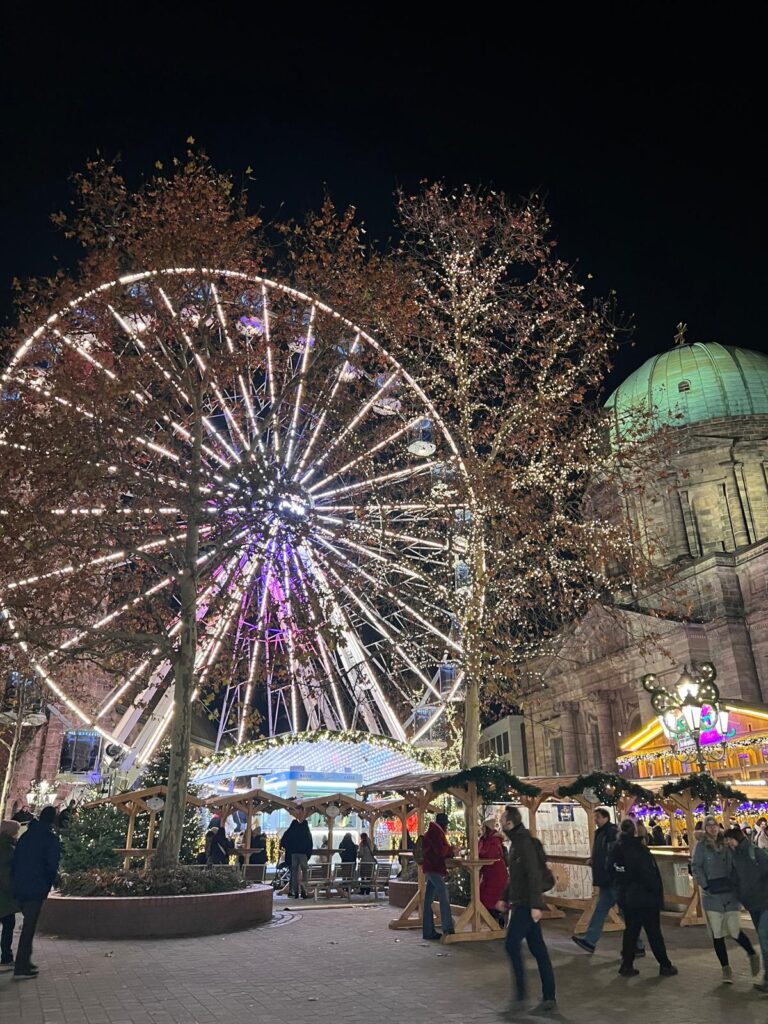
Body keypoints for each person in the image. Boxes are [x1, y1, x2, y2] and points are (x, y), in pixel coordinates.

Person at [496, 805, 556, 1014]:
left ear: (510, 822)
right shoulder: (516, 843)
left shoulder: (523, 843)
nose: (500, 823)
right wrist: (504, 897)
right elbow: (516, 876)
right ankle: (549, 998)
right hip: (522, 902)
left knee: (512, 944)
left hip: (526, 905)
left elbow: (533, 874)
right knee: (538, 949)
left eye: (502, 819)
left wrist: (536, 905)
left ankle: (521, 998)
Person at [691, 815, 759, 983]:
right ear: (705, 828)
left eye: (715, 825)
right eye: (709, 825)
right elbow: (696, 866)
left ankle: (751, 953)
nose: (713, 828)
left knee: (734, 929)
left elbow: (738, 861)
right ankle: (726, 969)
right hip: (712, 895)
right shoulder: (701, 847)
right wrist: (705, 885)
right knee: (717, 932)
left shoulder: (726, 844)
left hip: (729, 893)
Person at [572, 807, 644, 956]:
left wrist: (608, 867)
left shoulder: (609, 833)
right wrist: (595, 860)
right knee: (606, 910)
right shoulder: (602, 833)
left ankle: (636, 944)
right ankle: (591, 940)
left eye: (597, 817)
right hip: (607, 878)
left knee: (620, 911)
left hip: (611, 879)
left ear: (605, 817)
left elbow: (613, 854)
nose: (595, 820)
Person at [611, 818, 677, 978]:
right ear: (636, 832)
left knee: (631, 932)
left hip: (627, 897)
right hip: (645, 898)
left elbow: (613, 871)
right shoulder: (639, 851)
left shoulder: (617, 849)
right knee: (653, 932)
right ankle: (665, 965)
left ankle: (626, 965)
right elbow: (649, 876)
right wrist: (656, 894)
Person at [12, 805, 61, 981]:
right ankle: (21, 966)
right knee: (28, 927)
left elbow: (16, 860)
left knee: (27, 925)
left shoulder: (26, 836)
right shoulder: (49, 839)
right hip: (35, 887)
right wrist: (51, 882)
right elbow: (51, 865)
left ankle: (25, 961)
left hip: (20, 885)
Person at [725, 825, 768, 992]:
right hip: (752, 904)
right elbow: (735, 878)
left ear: (736, 838)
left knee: (764, 938)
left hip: (765, 901)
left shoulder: (754, 852)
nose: (727, 843)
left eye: (729, 839)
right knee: (763, 938)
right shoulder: (735, 856)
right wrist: (739, 895)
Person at [421, 811, 456, 940]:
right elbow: (440, 851)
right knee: (443, 893)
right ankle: (448, 928)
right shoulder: (436, 833)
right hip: (434, 868)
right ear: (444, 824)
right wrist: (452, 849)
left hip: (430, 867)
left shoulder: (432, 832)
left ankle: (428, 931)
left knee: (428, 900)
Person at [0, 820, 21, 972]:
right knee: (8, 925)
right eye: (16, 831)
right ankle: (6, 958)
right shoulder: (7, 848)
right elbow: (6, 873)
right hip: (4, 897)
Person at [479, 818, 508, 925]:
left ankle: (497, 919)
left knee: (492, 898)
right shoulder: (484, 839)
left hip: (496, 874)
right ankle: (494, 920)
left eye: (483, 827)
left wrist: (479, 854)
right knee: (483, 896)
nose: (481, 829)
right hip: (488, 874)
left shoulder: (494, 840)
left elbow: (489, 854)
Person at [289, 819, 313, 899]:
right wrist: (308, 855)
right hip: (303, 854)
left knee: (295, 873)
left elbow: (290, 842)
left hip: (294, 854)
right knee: (305, 873)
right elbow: (310, 844)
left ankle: (296, 891)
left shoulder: (294, 832)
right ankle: (304, 890)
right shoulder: (307, 833)